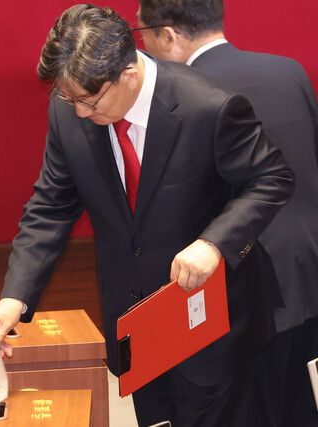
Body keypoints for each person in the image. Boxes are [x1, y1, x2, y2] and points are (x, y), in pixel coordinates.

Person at [0, 4, 295, 426]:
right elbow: (51, 206)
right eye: (69, 98)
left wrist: (213, 243)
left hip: (212, 327)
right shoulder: (67, 111)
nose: (80, 112)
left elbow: (271, 178)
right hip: (137, 328)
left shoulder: (207, 108)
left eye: (89, 101)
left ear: (128, 74)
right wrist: (14, 297)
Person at [136, 1, 318, 425]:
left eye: (142, 33)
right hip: (309, 273)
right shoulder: (289, 70)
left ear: (168, 35)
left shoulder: (182, 96)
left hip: (246, 293)